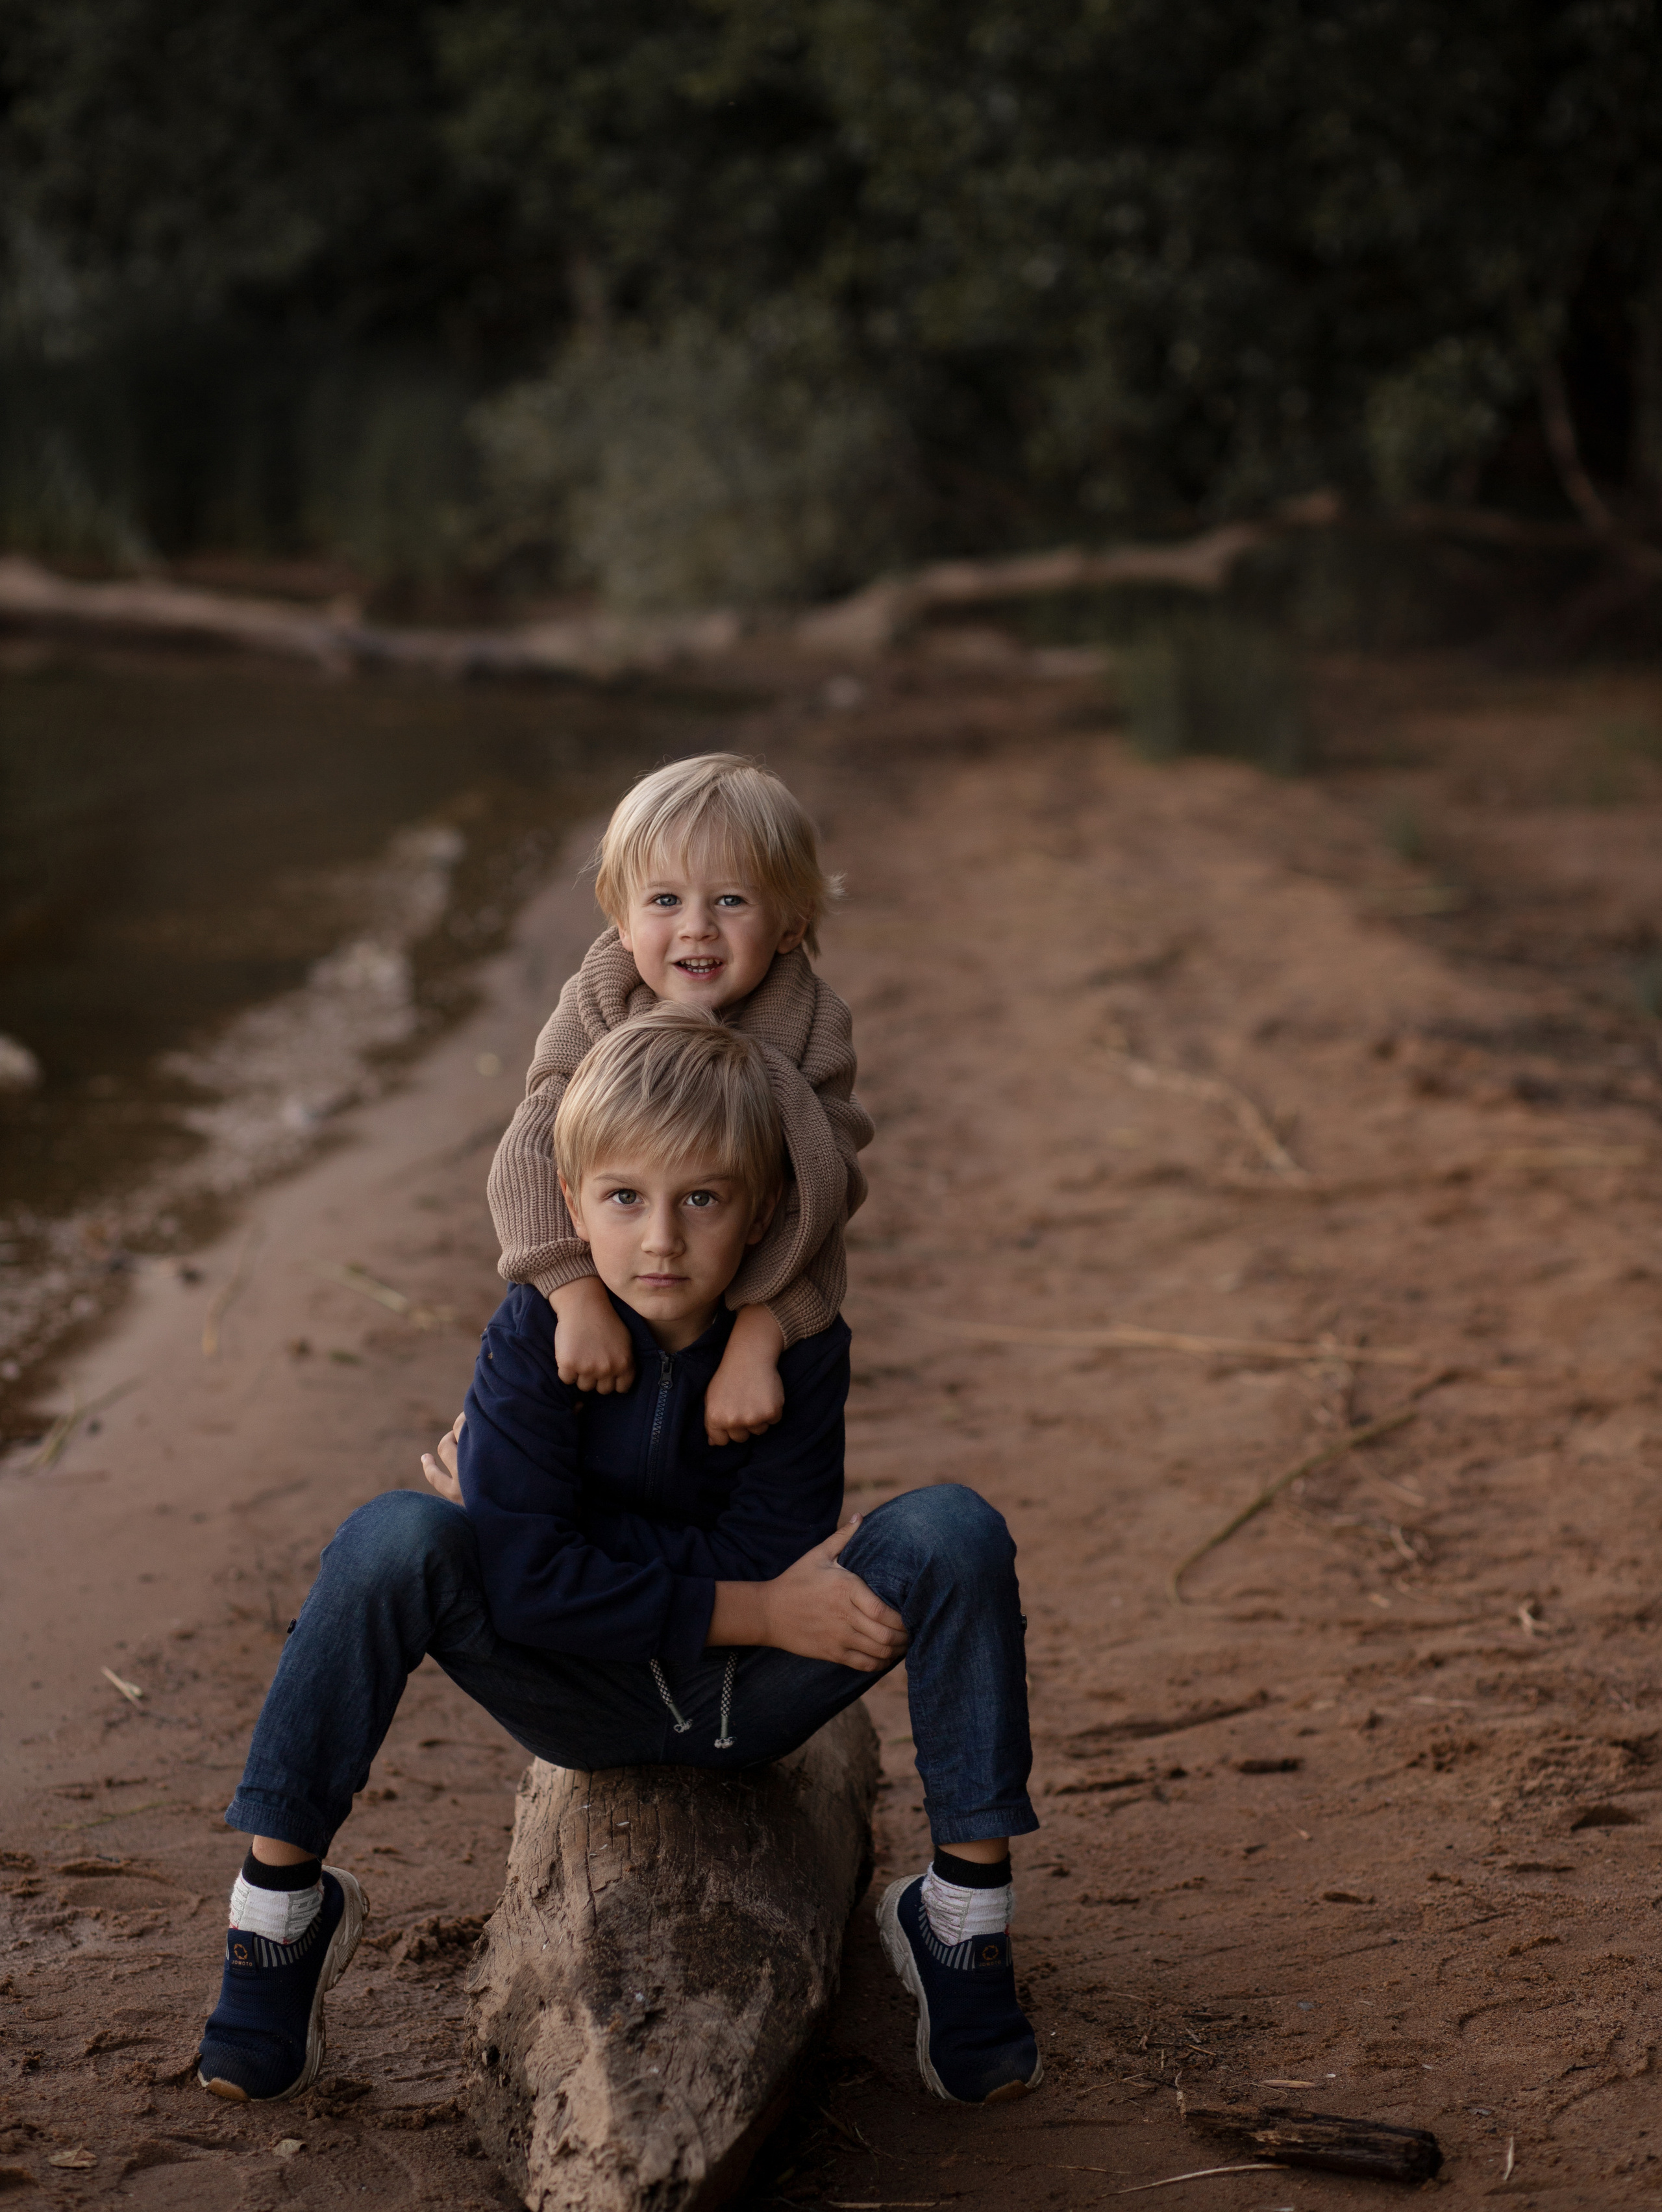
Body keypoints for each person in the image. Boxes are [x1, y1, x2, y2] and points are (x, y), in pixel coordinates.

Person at [197, 1007, 1041, 2110]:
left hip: (750, 1701)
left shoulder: (799, 1349)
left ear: (765, 1209)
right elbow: (550, 1590)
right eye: (626, 1198)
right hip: (574, 1702)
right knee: (394, 1534)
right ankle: (278, 1913)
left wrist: (541, 1534)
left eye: (703, 1199)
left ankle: (962, 1922)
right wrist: (746, 1604)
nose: (662, 1240)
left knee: (951, 1529)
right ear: (570, 1204)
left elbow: (750, 1551)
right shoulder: (527, 1335)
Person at [487, 751, 872, 1448]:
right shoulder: (599, 1000)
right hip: (612, 1277)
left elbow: (822, 1193)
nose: (696, 927)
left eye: (730, 899)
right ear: (623, 921)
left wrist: (757, 1343)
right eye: (665, 900)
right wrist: (573, 1297)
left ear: (790, 924)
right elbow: (528, 1152)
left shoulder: (811, 1027)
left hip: (739, 1285)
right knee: (527, 1367)